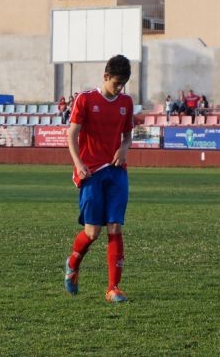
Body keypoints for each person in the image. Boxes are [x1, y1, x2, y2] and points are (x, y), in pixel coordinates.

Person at [64, 54, 134, 303]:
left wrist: (124, 148)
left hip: (116, 171)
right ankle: (73, 264)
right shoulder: (85, 99)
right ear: (105, 77)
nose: (119, 88)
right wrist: (78, 163)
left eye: (123, 84)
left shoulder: (126, 102)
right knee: (92, 232)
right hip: (91, 172)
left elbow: (127, 136)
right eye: (116, 83)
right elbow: (71, 135)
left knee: (115, 227)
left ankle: (113, 288)